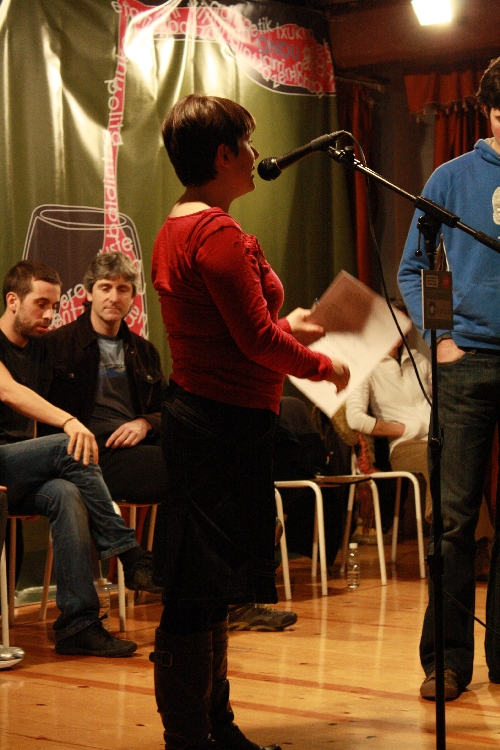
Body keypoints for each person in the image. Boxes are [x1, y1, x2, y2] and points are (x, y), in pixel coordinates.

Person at [150, 93, 350, 750]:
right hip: (218, 424)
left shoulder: (182, 226)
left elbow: (239, 331)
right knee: (196, 589)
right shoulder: (214, 235)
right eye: (248, 143)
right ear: (223, 155)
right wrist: (323, 366)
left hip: (211, 419)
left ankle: (217, 729)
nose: (257, 154)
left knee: (208, 589)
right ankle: (193, 738)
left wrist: (288, 327)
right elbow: (256, 343)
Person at [398, 56, 500, 702]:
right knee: (455, 521)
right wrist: (441, 339)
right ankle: (447, 660)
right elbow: (419, 266)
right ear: (491, 111)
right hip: (468, 365)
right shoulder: (452, 177)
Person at [0, 260, 159, 657]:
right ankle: (128, 553)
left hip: (21, 468)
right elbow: (9, 391)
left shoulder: (41, 350)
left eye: (54, 306)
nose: (49, 315)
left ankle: (78, 624)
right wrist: (70, 422)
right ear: (12, 300)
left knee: (67, 494)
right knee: (67, 445)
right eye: (40, 304)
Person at [43, 251, 167, 509]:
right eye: (105, 287)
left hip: (137, 447)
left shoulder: (145, 351)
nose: (114, 297)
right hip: (85, 453)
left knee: (199, 454)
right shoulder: (57, 344)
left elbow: (166, 410)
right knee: (180, 467)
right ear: (89, 293)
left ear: (132, 297)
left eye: (123, 289)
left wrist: (145, 423)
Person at [345, 301, 433, 525]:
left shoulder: (418, 360)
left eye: (402, 322)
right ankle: (443, 530)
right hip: (405, 445)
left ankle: (478, 537)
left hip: (435, 438)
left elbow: (442, 400)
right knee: (438, 458)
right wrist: (404, 429)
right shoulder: (366, 367)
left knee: (465, 458)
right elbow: (354, 418)